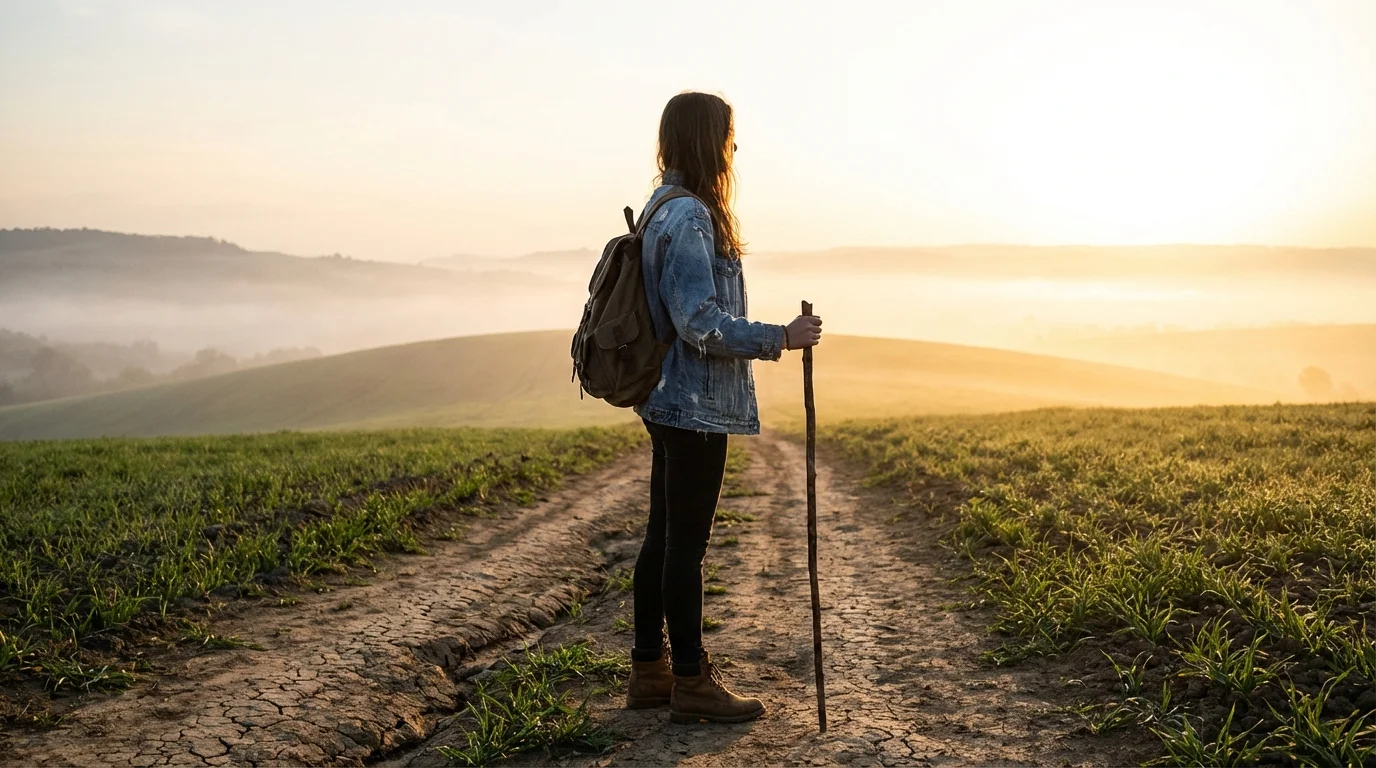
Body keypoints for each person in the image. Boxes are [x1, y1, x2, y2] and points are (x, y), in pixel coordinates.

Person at [625, 91, 823, 724]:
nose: (735, 147)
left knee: (662, 538)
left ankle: (650, 671)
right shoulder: (690, 216)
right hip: (695, 404)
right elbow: (698, 321)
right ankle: (691, 682)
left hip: (665, 399)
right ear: (708, 140)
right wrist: (780, 337)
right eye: (728, 135)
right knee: (685, 547)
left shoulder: (660, 206)